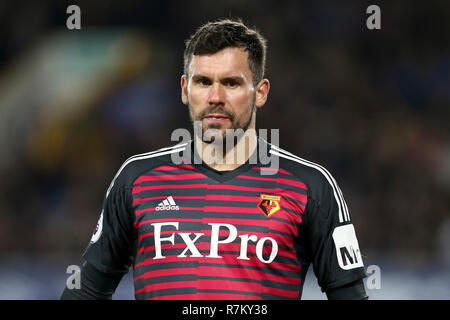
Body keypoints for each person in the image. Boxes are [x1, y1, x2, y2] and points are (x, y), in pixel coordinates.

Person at [60, 18, 368, 300]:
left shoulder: (310, 186)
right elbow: (87, 291)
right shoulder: (137, 179)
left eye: (231, 83)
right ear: (185, 89)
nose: (215, 96)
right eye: (203, 81)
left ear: (260, 92)